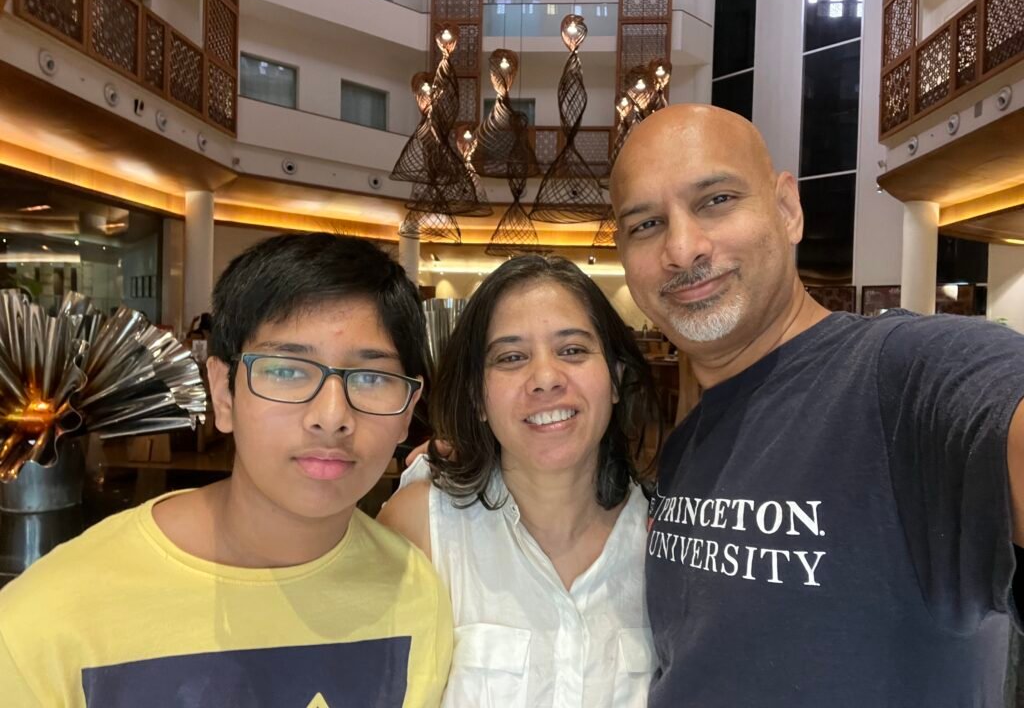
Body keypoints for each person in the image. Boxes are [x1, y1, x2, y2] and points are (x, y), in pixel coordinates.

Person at [609, 104, 1024, 707]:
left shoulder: (904, 375)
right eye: (646, 224)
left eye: (716, 200)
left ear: (787, 209)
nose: (682, 247)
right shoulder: (687, 443)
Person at [0, 233, 452, 706]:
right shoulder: (47, 619)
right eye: (286, 370)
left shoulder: (416, 594)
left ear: (409, 409)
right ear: (223, 392)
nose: (332, 415)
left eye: (372, 377)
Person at [379, 255, 662, 707]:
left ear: (615, 378)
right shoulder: (423, 527)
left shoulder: (666, 539)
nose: (545, 378)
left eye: (572, 350)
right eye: (511, 357)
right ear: (477, 396)